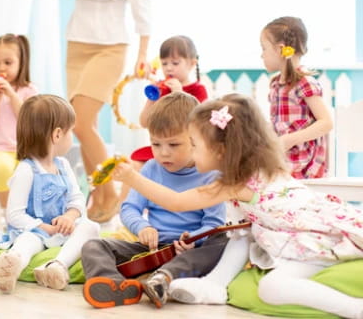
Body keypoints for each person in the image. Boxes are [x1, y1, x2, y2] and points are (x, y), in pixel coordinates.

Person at [113, 93, 363, 319]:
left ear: (220, 151)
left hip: (314, 244)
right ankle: (215, 284)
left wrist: (133, 178)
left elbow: (176, 202)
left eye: (195, 145)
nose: (192, 152)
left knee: (271, 288)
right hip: (290, 234)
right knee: (238, 235)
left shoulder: (235, 183)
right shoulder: (254, 171)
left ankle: (355, 308)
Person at [81, 92, 227, 309]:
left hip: (189, 252)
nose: (163, 153)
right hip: (152, 248)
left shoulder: (209, 174)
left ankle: (163, 278)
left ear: (196, 139)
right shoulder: (150, 168)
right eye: (156, 144)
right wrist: (143, 227)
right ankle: (115, 286)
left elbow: (214, 224)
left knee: (221, 240)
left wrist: (193, 239)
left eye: (173, 144)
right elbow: (129, 208)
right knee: (93, 245)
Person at [0, 94, 100, 294]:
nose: (72, 137)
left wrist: (70, 216)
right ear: (57, 135)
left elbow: (76, 199)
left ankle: (56, 266)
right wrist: (42, 227)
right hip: (36, 232)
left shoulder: (63, 165)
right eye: (71, 132)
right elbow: (14, 215)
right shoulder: (26, 170)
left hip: (63, 231)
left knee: (91, 227)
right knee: (27, 242)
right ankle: (11, 264)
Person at [66, 0, 152, 223]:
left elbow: (141, 5)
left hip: (111, 46)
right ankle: (99, 193)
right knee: (86, 124)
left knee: (80, 124)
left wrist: (142, 52)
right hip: (77, 42)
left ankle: (111, 192)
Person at [120, 35, 208, 206]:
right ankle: (124, 206)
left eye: (175, 63)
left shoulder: (198, 89)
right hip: (160, 147)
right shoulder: (160, 88)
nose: (169, 68)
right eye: (165, 63)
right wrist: (153, 99)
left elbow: (200, 122)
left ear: (191, 63)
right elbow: (145, 122)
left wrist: (180, 93)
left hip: (185, 150)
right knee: (133, 165)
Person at [261, 16, 333, 179]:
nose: (261, 55)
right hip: (283, 157)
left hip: (304, 163)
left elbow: (326, 122)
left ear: (280, 49)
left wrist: (290, 140)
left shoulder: (303, 82)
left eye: (264, 48)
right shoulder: (276, 85)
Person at [0, 33, 38, 209]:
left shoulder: (29, 90)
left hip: (27, 150)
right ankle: (9, 212)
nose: (1, 68)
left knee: (31, 173)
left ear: (21, 62)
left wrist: (11, 95)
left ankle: (28, 212)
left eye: (8, 62)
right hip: (0, 151)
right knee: (2, 168)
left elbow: (27, 118)